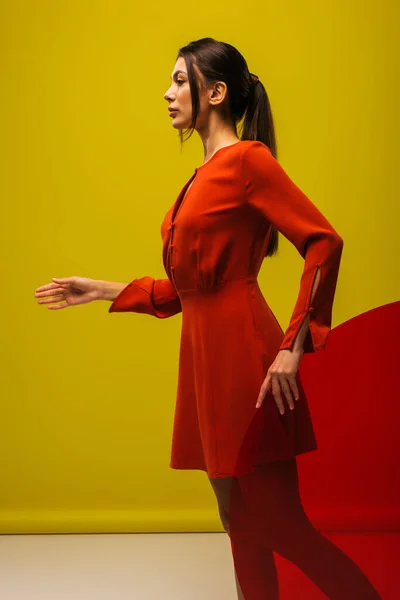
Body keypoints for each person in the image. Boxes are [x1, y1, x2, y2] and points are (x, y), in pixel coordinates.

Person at [35, 37, 382, 599]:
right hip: (203, 361)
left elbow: (323, 242)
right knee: (238, 523)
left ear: (215, 92)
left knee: (279, 524)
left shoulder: (248, 161)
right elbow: (189, 290)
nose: (167, 93)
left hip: (244, 356)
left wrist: (292, 348)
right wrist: (98, 288)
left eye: (179, 80)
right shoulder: (203, 174)